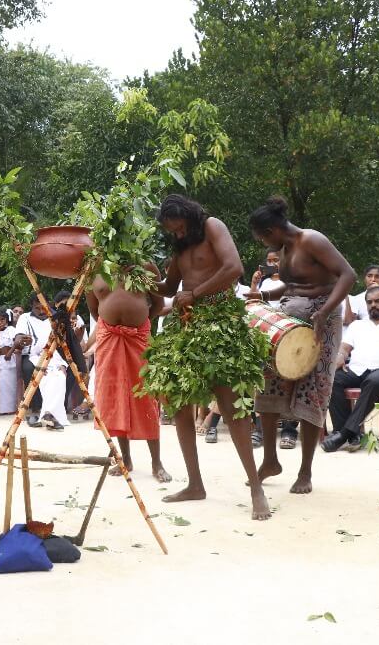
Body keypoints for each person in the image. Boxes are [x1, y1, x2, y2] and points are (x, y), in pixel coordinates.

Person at [141, 194, 272, 520]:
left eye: (181, 228)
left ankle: (256, 488)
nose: (179, 235)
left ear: (191, 218)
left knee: (231, 407)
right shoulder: (179, 245)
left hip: (220, 321)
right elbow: (171, 288)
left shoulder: (213, 226)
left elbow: (234, 268)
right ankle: (195, 484)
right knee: (179, 403)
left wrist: (196, 294)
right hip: (185, 326)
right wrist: (143, 281)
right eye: (173, 231)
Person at [246, 196, 355, 494]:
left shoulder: (312, 240)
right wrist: (264, 298)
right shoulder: (285, 248)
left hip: (323, 318)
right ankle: (270, 459)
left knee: (313, 389)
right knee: (268, 383)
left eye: (261, 237)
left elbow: (348, 275)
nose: (262, 243)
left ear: (271, 230)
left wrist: (323, 311)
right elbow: (293, 284)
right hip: (288, 317)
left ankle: (305, 471)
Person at [87, 266, 171, 482]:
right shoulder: (94, 268)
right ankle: (125, 459)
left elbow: (158, 304)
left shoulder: (146, 266)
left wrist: (138, 322)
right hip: (108, 338)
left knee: (146, 396)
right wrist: (114, 323)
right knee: (116, 399)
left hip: (139, 337)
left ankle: (157, 462)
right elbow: (94, 310)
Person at [322, 286, 379, 451]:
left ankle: (343, 434)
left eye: (378, 301)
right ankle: (351, 433)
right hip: (356, 370)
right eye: (369, 302)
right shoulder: (357, 325)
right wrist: (339, 357)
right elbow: (344, 349)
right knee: (333, 378)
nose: (373, 305)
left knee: (376, 380)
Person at [14, 295, 53, 426]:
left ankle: (53, 409)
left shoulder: (54, 318)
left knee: (68, 370)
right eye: (37, 306)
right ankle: (36, 410)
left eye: (43, 305)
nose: (41, 310)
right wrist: (22, 340)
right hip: (31, 355)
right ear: (32, 305)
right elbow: (18, 337)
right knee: (28, 368)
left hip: (53, 355)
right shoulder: (25, 318)